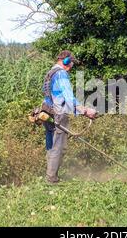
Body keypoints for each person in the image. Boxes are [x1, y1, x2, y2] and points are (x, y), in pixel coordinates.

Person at [41, 50, 96, 183]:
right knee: (58, 147)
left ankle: (50, 176)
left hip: (47, 112)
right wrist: (85, 111)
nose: (72, 66)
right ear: (66, 61)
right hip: (58, 114)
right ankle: (51, 179)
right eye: (71, 63)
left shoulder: (50, 73)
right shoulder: (61, 74)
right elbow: (69, 98)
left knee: (51, 145)